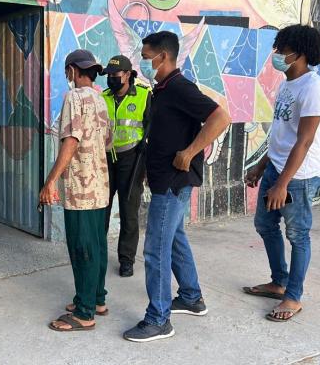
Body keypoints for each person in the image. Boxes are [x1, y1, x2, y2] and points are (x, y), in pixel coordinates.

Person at [123, 31, 231, 342]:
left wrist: (190, 151)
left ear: (163, 57)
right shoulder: (162, 90)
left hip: (173, 182)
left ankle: (158, 319)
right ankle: (191, 297)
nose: (143, 63)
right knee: (174, 239)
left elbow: (220, 117)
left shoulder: (181, 88)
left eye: (146, 58)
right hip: (163, 180)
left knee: (155, 249)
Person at [243, 24, 320, 322]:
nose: (277, 54)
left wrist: (282, 184)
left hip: (299, 177)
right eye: (277, 48)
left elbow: (304, 141)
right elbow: (282, 134)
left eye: (282, 50)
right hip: (277, 169)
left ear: (301, 54)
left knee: (297, 234)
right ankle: (279, 281)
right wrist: (262, 165)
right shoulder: (287, 84)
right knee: (265, 225)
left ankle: (293, 297)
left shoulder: (314, 88)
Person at [39, 49, 112, 332]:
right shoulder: (101, 100)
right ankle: (97, 299)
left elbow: (71, 141)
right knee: (97, 244)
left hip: (80, 188)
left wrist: (51, 180)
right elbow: (106, 141)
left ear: (72, 71)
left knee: (82, 248)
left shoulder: (74, 97)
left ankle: (84, 313)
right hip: (100, 185)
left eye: (67, 71)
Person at [102, 55, 152, 278]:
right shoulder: (103, 97)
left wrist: (146, 148)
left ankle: (126, 259)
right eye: (109, 76)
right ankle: (98, 254)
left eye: (115, 75)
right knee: (101, 209)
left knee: (128, 211)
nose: (111, 79)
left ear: (128, 75)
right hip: (105, 158)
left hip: (132, 158)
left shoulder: (143, 95)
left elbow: (152, 126)